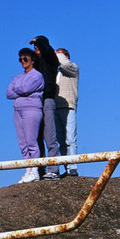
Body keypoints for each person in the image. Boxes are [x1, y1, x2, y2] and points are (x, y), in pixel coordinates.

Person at [6, 48, 45, 183]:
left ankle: (35, 170)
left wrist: (18, 90)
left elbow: (25, 89)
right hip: (17, 110)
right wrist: (20, 91)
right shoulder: (17, 77)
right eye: (20, 59)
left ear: (32, 60)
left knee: (31, 141)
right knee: (22, 142)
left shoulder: (37, 75)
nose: (23, 61)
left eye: (25, 59)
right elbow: (8, 93)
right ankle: (27, 168)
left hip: (31, 109)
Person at [29, 35, 62, 179]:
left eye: (38, 45)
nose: (35, 47)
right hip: (35, 102)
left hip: (48, 99)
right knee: (36, 138)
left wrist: (39, 41)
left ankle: (53, 170)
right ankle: (40, 170)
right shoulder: (35, 64)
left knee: (50, 136)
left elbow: (48, 50)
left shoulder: (51, 59)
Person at [54, 48, 80, 177]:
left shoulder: (72, 68)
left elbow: (64, 64)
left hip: (68, 106)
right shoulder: (56, 72)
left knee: (70, 139)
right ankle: (67, 167)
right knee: (61, 141)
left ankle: (73, 167)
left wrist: (56, 54)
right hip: (55, 107)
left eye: (58, 54)